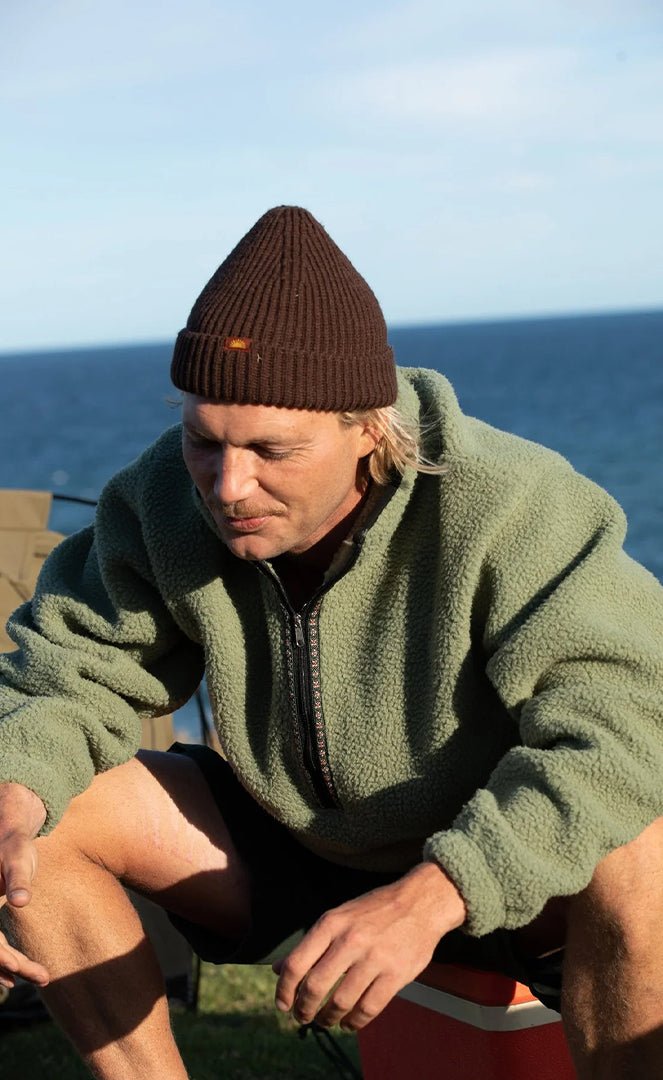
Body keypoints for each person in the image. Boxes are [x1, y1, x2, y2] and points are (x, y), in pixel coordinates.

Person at [0, 206, 662, 1080]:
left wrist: (438, 891)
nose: (228, 486)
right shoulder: (162, 499)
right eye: (203, 441)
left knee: (639, 844)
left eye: (272, 451)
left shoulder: (514, 505)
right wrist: (12, 793)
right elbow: (67, 675)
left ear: (368, 428)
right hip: (299, 846)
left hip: (500, 865)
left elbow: (626, 731)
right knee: (36, 812)